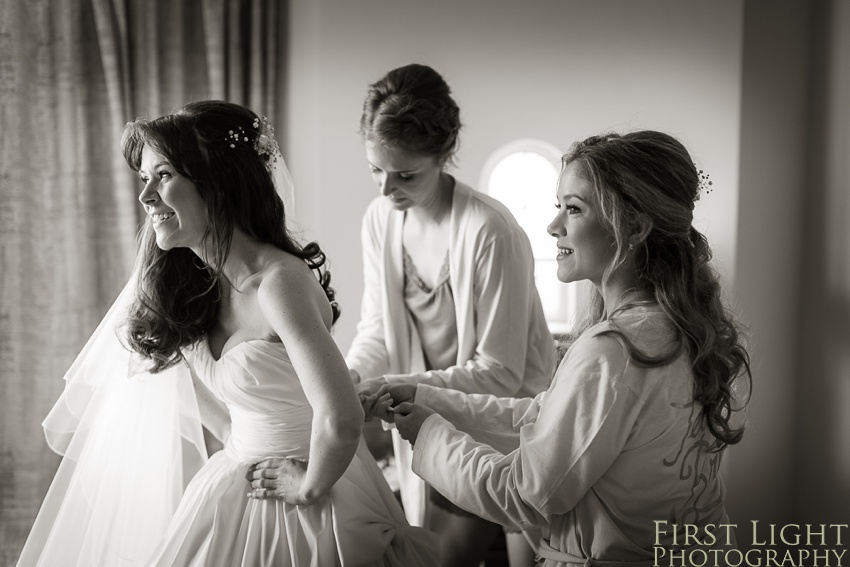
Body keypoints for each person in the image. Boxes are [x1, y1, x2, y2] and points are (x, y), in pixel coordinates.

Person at [17, 100, 438, 567]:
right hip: (234, 488)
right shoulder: (192, 286)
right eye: (144, 179)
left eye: (164, 176)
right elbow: (196, 398)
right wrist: (241, 450)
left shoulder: (279, 284)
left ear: (217, 180)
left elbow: (339, 419)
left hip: (315, 502)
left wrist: (309, 485)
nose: (146, 197)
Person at [366, 131, 753, 565]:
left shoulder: (614, 352)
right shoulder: (675, 328)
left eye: (574, 209)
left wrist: (428, 434)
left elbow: (524, 495)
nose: (554, 226)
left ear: (634, 227)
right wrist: (426, 399)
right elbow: (544, 420)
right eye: (558, 207)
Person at [349, 63, 556, 567]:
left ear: (443, 155)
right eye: (376, 169)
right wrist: (349, 376)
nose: (385, 189)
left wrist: (395, 386)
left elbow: (502, 374)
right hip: (434, 417)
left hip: (515, 429)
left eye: (405, 174)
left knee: (532, 557)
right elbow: (377, 327)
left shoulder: (492, 232)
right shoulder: (381, 219)